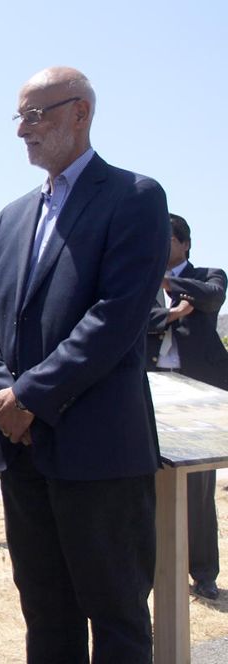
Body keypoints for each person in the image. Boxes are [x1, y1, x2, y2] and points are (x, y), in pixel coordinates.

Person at [0, 67, 170, 662]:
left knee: (117, 618)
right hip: (24, 453)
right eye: (19, 117)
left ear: (80, 113)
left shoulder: (134, 197)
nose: (23, 130)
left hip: (99, 451)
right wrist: (6, 397)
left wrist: (29, 396)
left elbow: (118, 315)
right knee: (45, 617)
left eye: (37, 115)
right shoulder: (11, 218)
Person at [147, 213, 227, 600]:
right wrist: (171, 313)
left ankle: (204, 572)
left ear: (184, 244)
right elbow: (135, 320)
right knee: (149, 484)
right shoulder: (141, 283)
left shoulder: (210, 274)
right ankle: (157, 565)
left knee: (197, 487)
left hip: (196, 395)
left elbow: (211, 296)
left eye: (165, 238)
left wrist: (165, 281)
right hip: (151, 390)